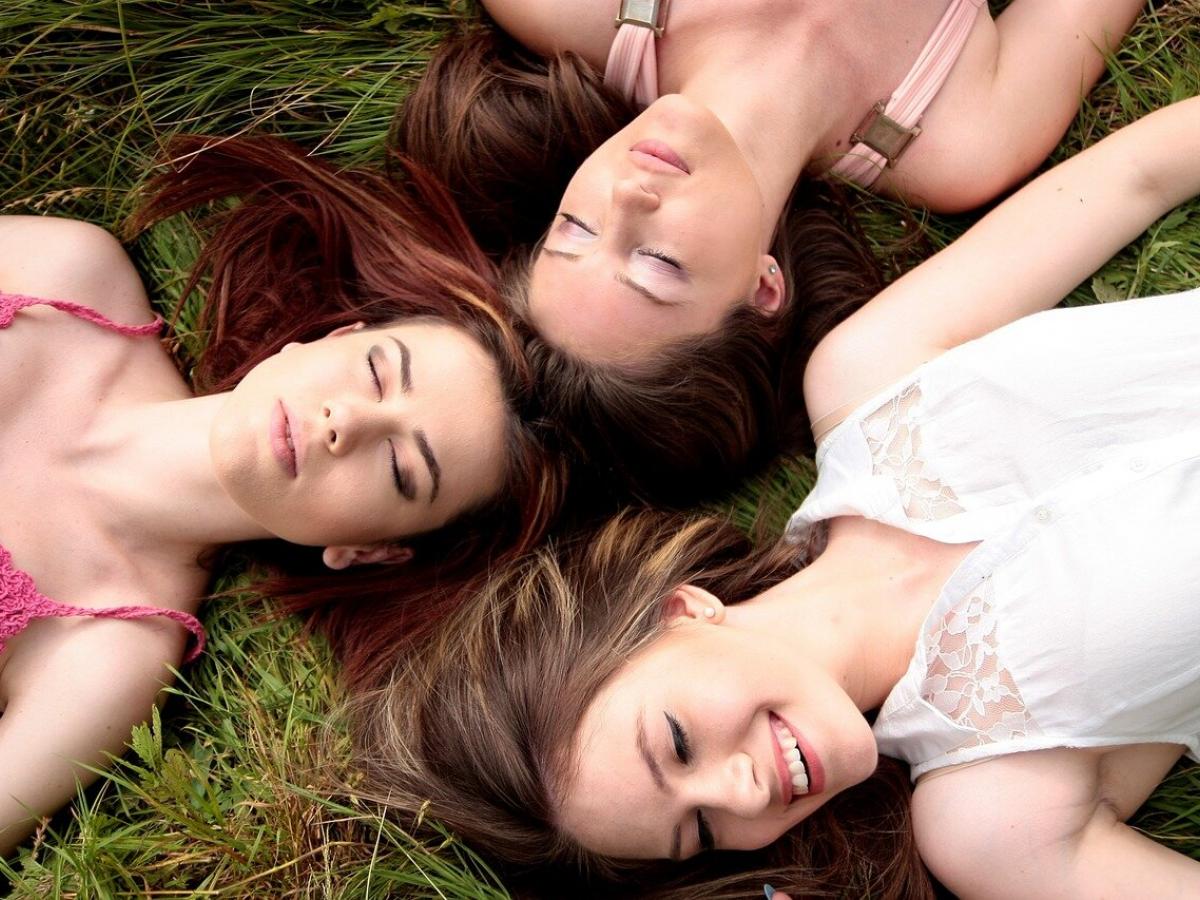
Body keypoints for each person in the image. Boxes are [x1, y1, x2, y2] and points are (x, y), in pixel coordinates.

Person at [358, 96, 1200, 897]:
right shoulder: (990, 819)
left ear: (681, 611)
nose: (745, 794)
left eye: (678, 744)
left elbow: (1142, 174)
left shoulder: (867, 377)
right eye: (701, 831)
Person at [0, 136, 563, 856]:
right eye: (376, 373)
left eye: (399, 467)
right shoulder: (65, 279)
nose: (346, 422)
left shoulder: (110, 652)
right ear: (330, 337)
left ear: (368, 550)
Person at [391, 1, 1146, 504]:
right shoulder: (961, 140)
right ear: (763, 290)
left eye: (576, 231)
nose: (626, 197)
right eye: (657, 264)